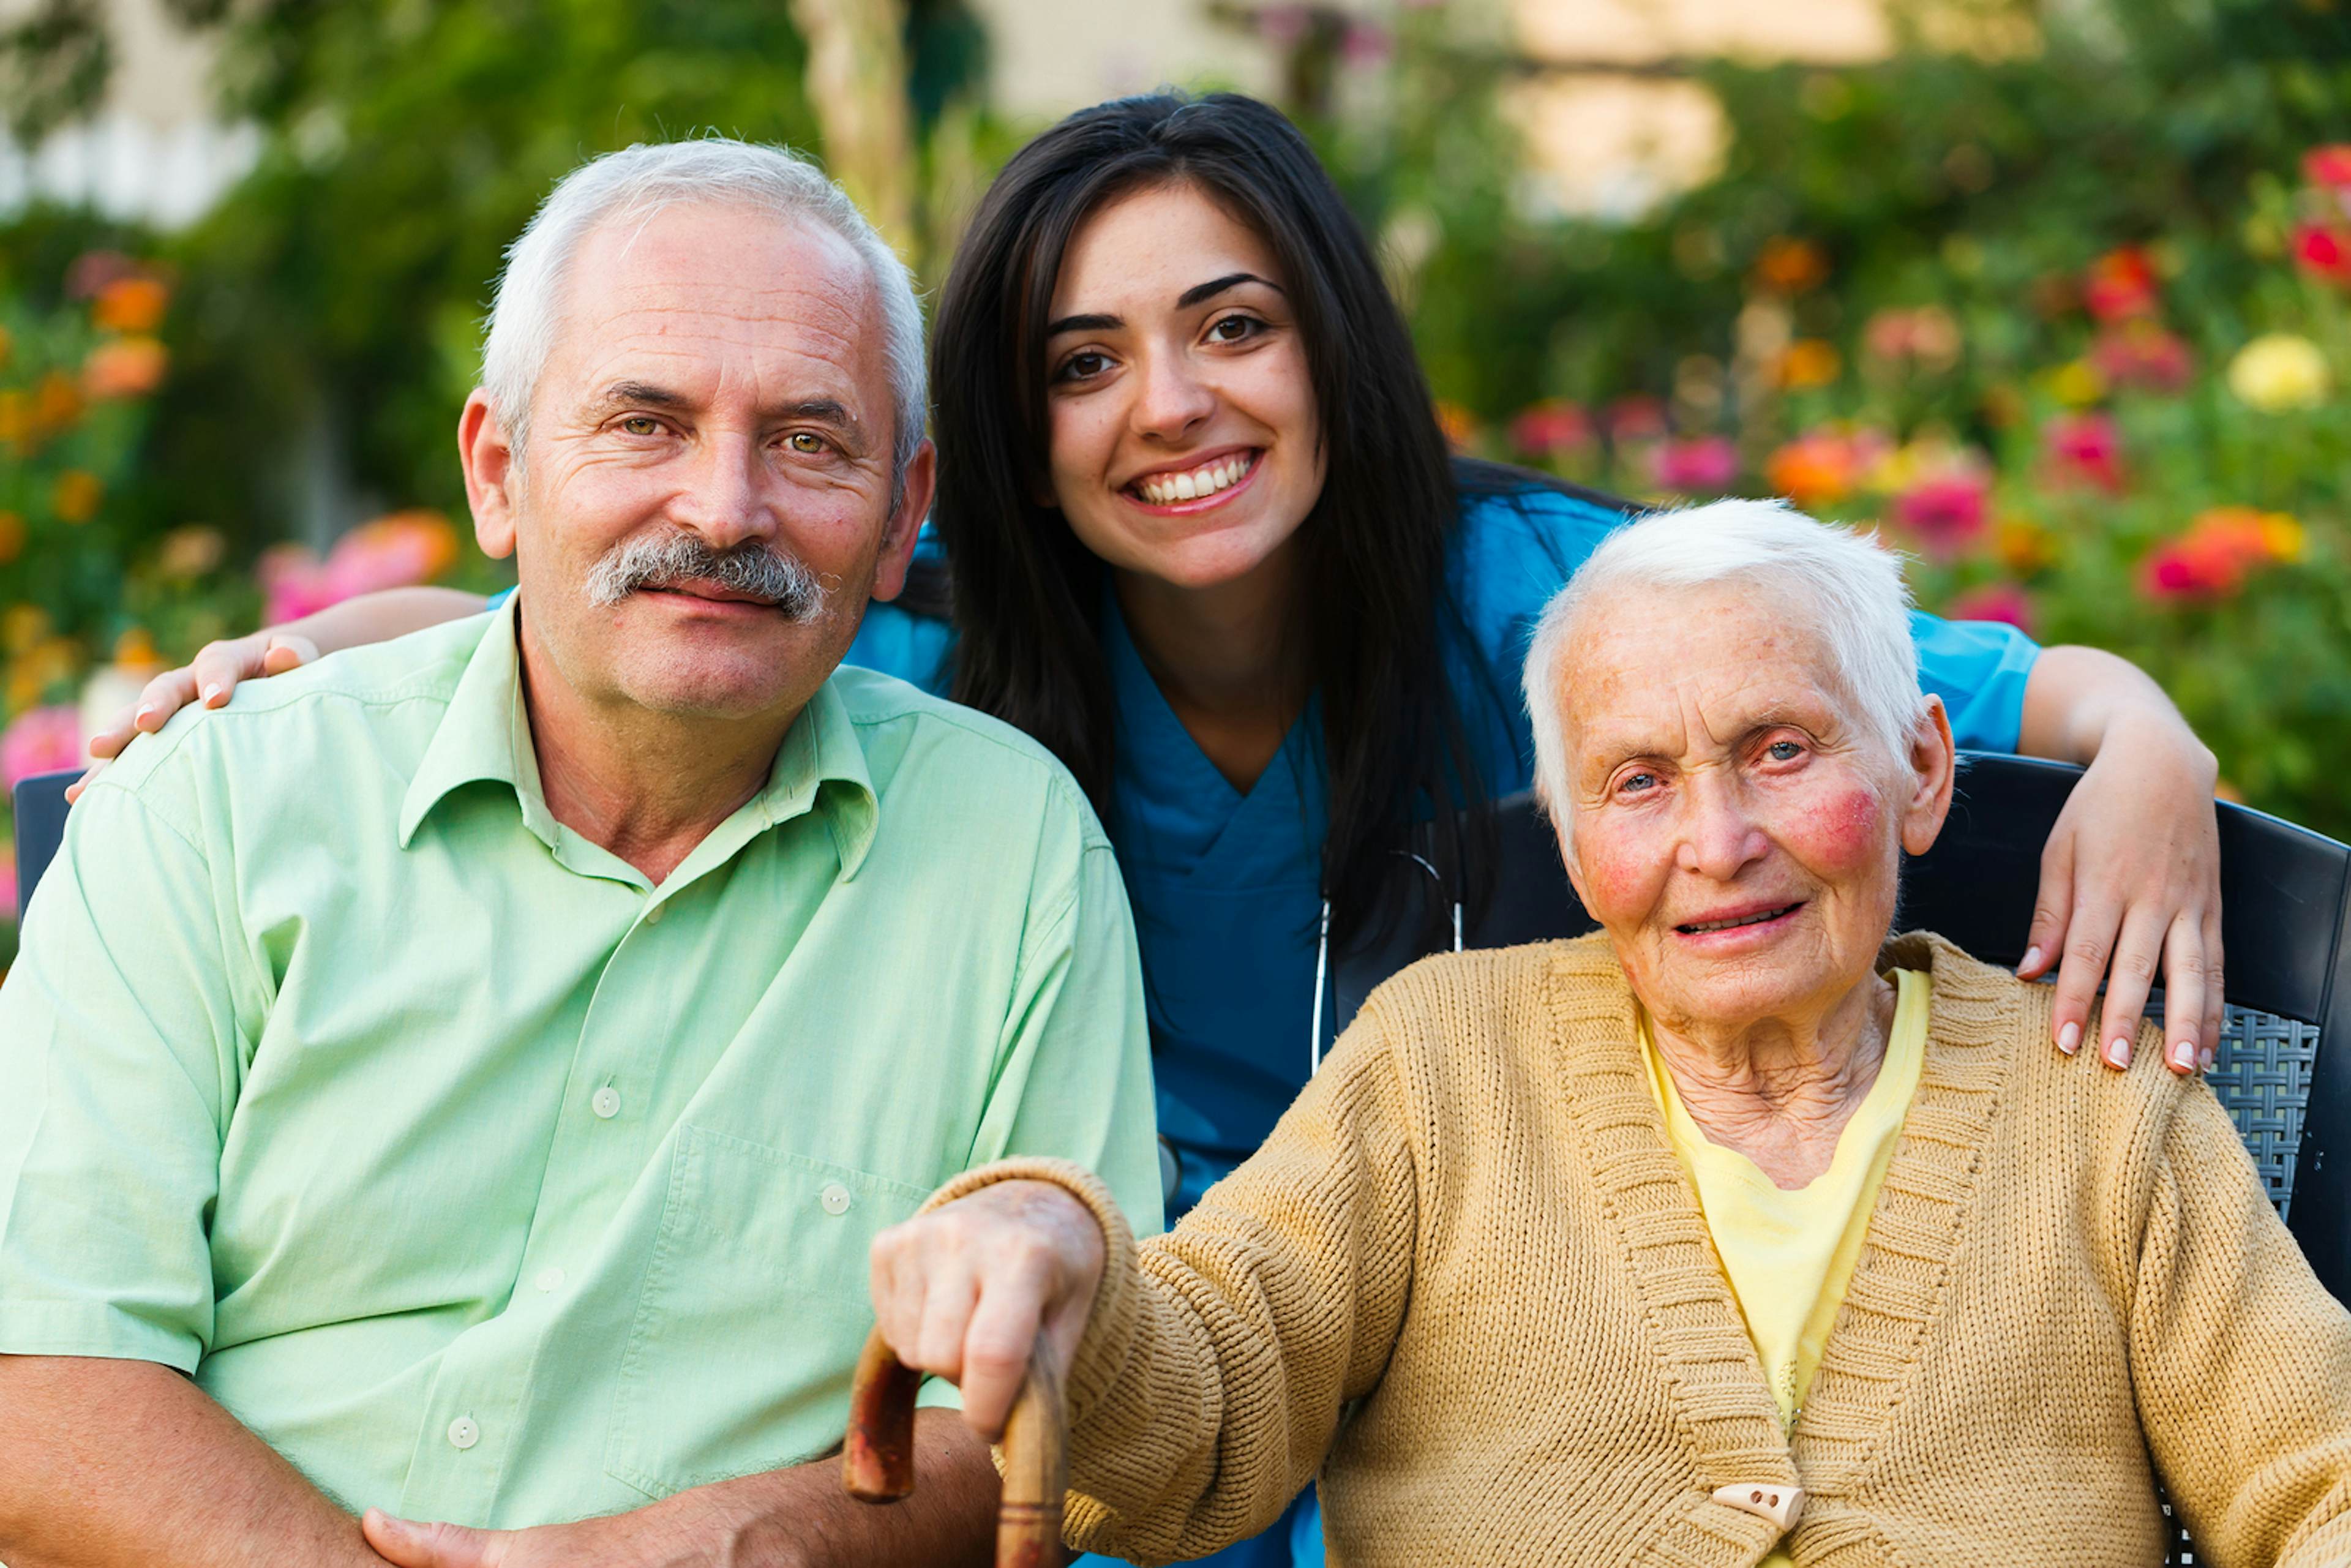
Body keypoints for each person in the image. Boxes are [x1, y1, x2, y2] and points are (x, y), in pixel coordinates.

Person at [72, 94, 2229, 1567]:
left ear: (1332, 348)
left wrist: (2143, 750)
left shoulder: (1550, 605)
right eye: (1083, 361)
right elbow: (674, 596)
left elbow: (1920, 685)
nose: (1170, 408)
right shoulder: (954, 680)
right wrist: (369, 644)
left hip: (1494, 1352)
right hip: (1126, 1384)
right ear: (998, 444)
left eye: (1234, 327)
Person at [0, 140, 1160, 1568]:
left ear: (902, 513)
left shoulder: (1013, 850)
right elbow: (33, 1380)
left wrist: (741, 1546)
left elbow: (1050, 1403)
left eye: (808, 440)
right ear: (498, 472)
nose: (725, 509)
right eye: (646, 423)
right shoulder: (219, 803)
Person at [864, 501, 2351, 1568]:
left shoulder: (2098, 1100)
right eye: (1638, 782)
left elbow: (2315, 1470)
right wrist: (1064, 1260)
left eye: (1780, 749)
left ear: (1919, 768)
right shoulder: (1442, 1062)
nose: (1719, 840)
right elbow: (1209, 1392)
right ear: (1571, 847)